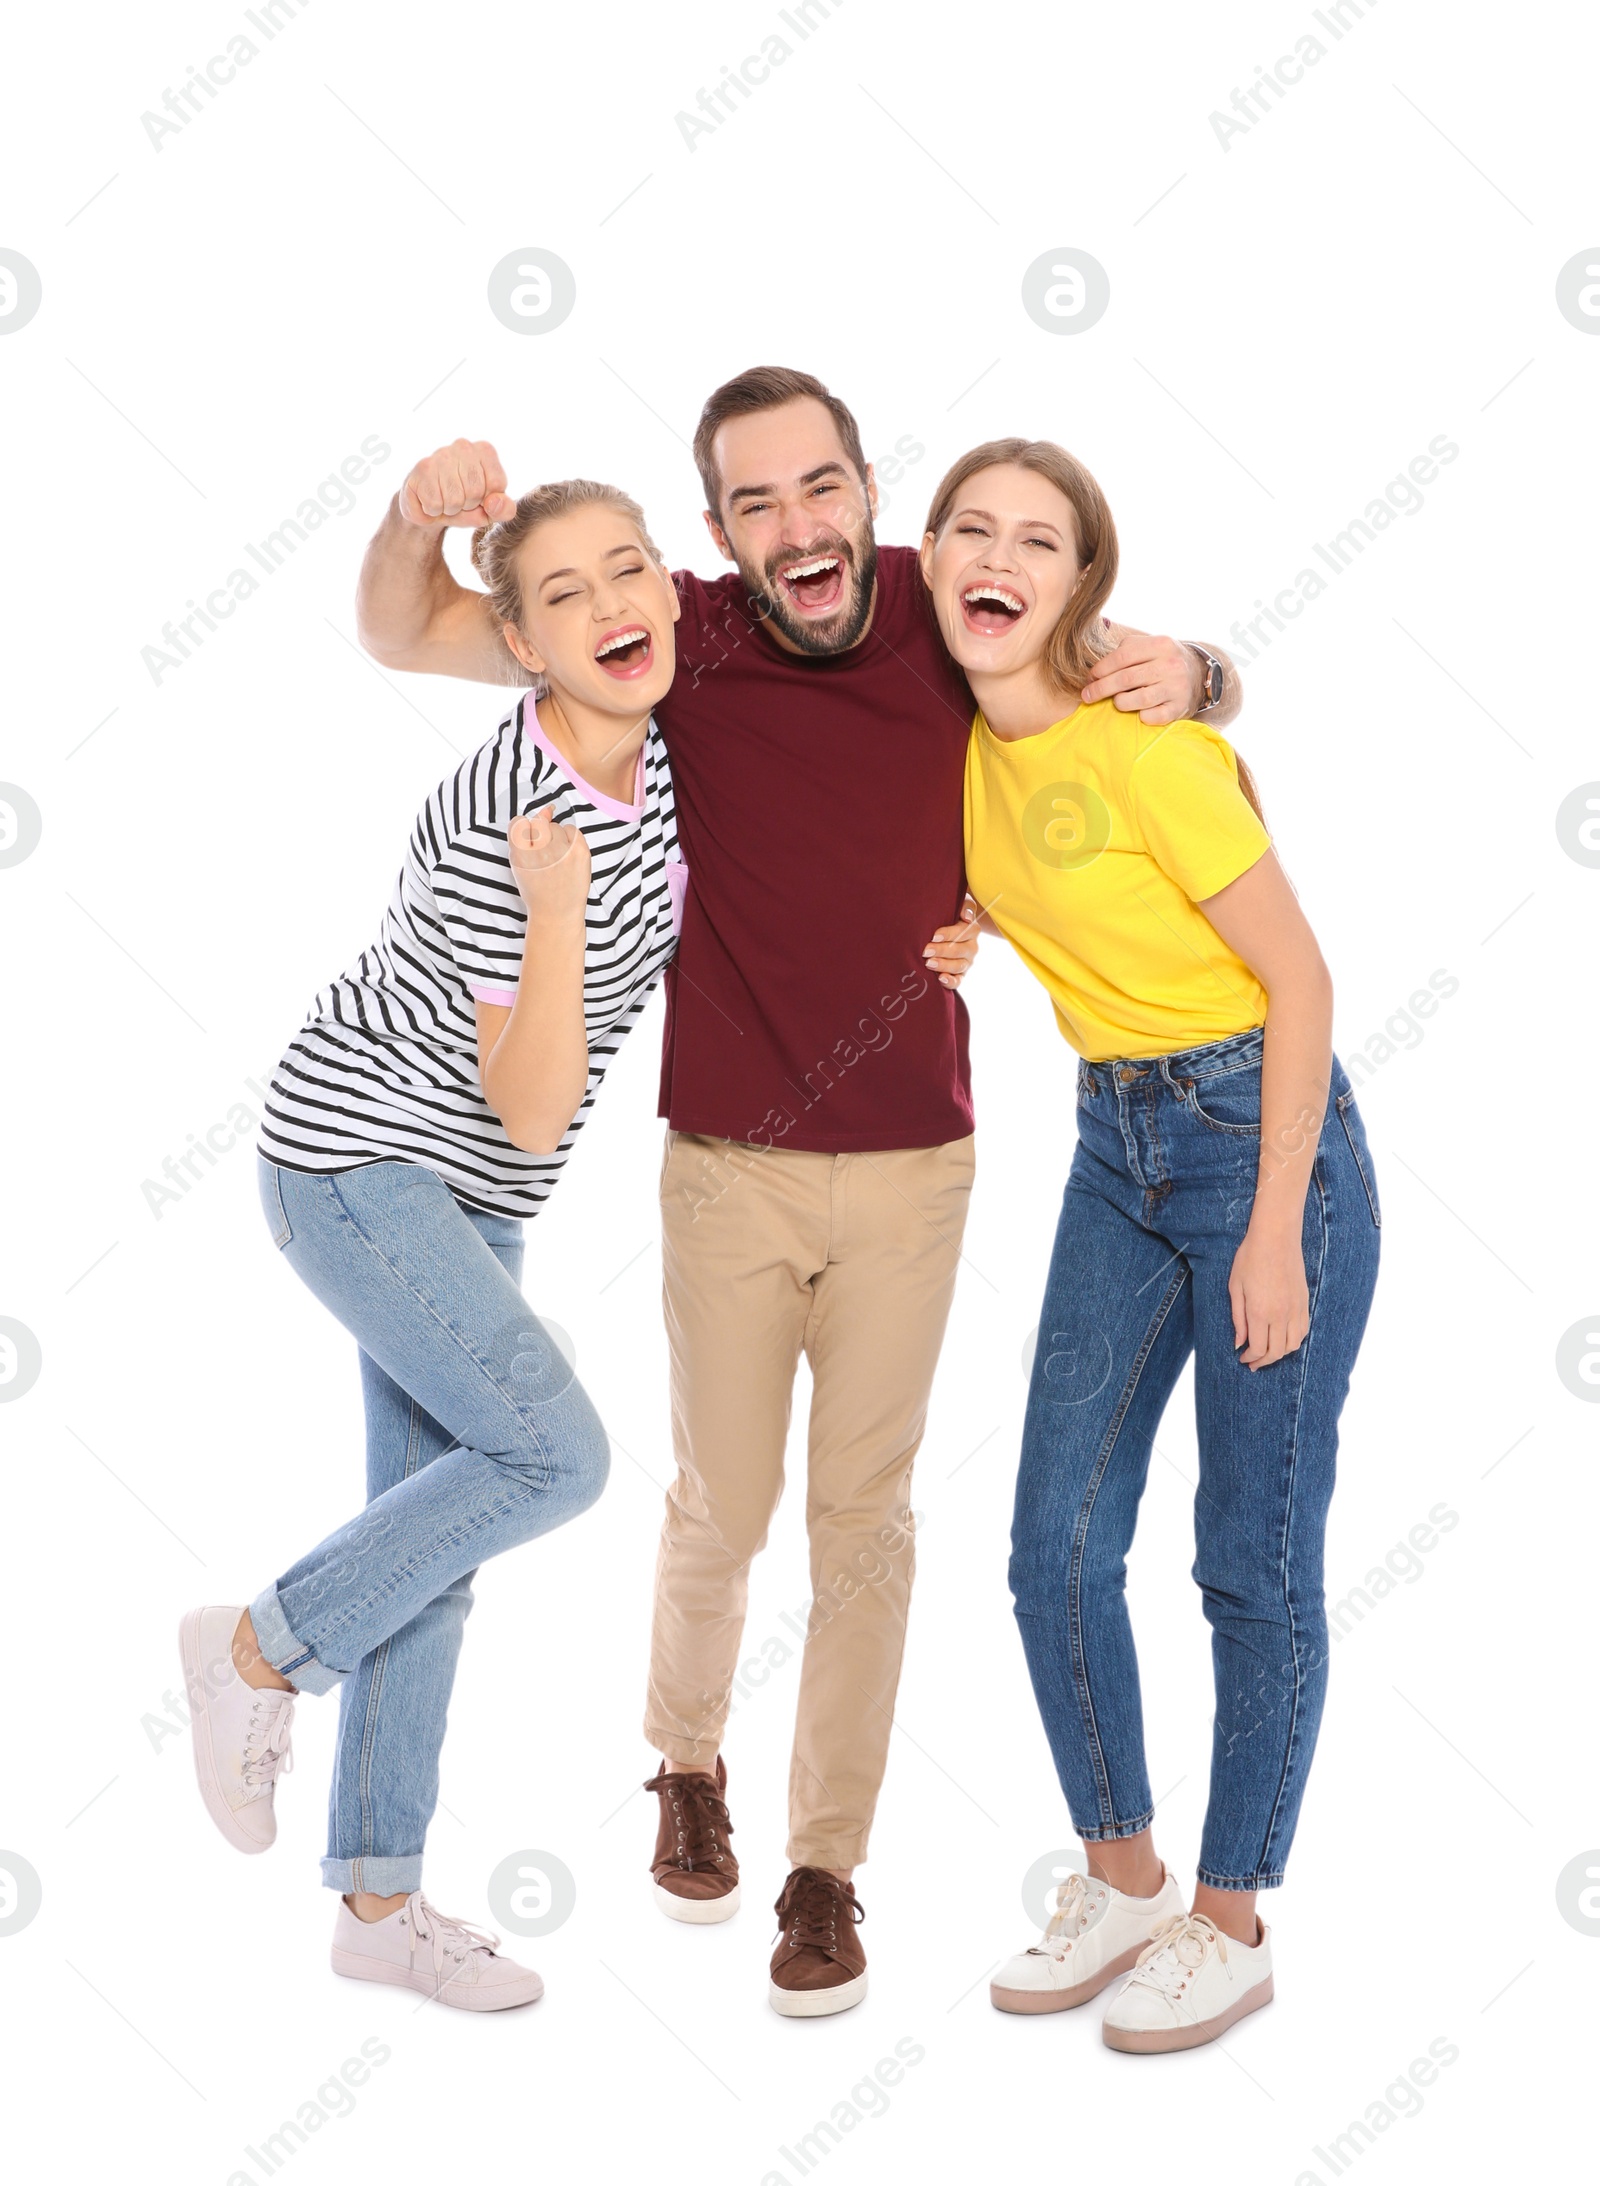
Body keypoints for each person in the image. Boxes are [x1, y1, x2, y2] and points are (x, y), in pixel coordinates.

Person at [355, 369, 1242, 2017]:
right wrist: (414, 518)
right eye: (755, 503)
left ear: (866, 492)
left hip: (918, 1170)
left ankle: (825, 1867)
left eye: (819, 488)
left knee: (869, 1528)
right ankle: (685, 1762)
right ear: (716, 533)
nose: (796, 525)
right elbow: (408, 636)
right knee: (722, 1501)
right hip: (728, 1171)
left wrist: (1210, 669)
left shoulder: (941, 602)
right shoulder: (679, 635)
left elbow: (1123, 670)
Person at [180, 478, 688, 2011]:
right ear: (520, 645)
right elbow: (532, 1108)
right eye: (568, 594)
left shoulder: (660, 718)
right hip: (359, 1165)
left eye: (632, 571)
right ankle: (259, 1649)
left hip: (470, 1195)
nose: (614, 607)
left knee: (436, 1533)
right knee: (556, 1457)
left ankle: (379, 1907)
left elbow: (397, 620)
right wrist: (553, 912)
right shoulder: (510, 828)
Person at [920, 438, 1380, 2052]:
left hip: (1269, 1138)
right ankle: (1122, 1879)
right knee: (1052, 1541)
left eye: (1037, 539)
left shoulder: (1147, 741)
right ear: (931, 561)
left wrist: (1275, 1229)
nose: (999, 555)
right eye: (970, 528)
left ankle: (1232, 1918)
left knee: (1246, 1560)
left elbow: (1304, 985)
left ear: (1083, 587)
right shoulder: (944, 730)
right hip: (1111, 1145)